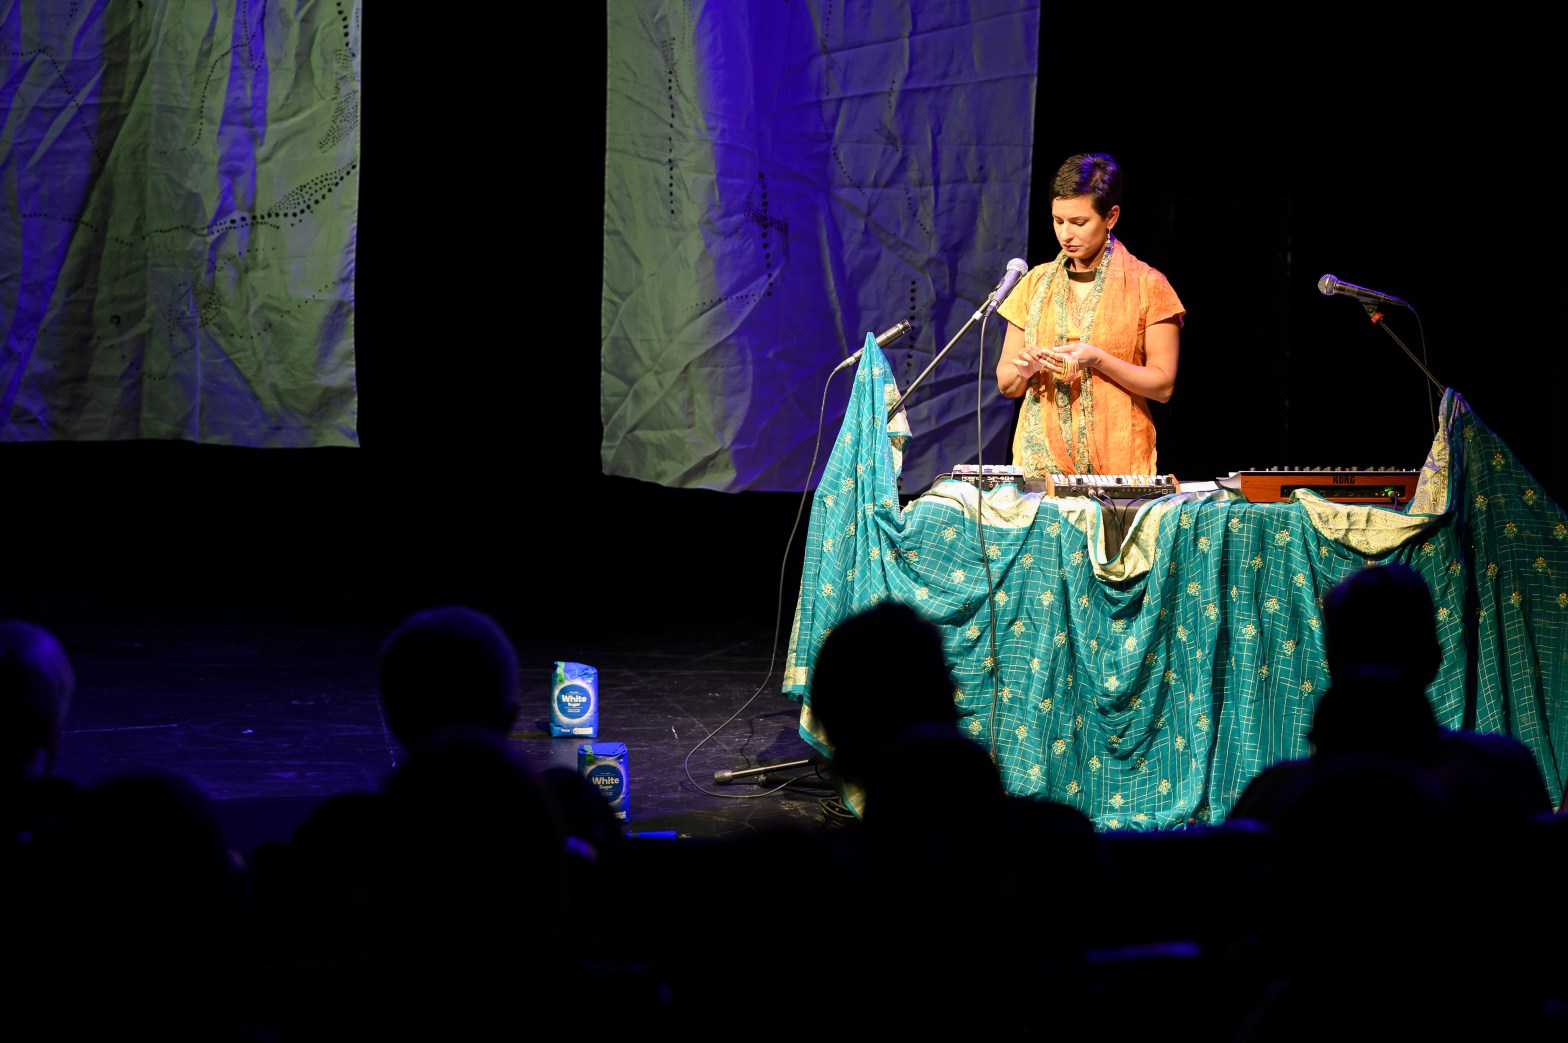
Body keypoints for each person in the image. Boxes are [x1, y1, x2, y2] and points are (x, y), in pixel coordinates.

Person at [994, 151, 1185, 479]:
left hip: (1118, 465)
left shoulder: (1148, 285)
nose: (1066, 234)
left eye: (1079, 222)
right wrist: (1025, 369)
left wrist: (1098, 359)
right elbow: (1007, 384)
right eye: (1058, 221)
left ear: (1110, 217)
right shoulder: (1035, 284)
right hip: (1040, 468)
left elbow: (1163, 385)